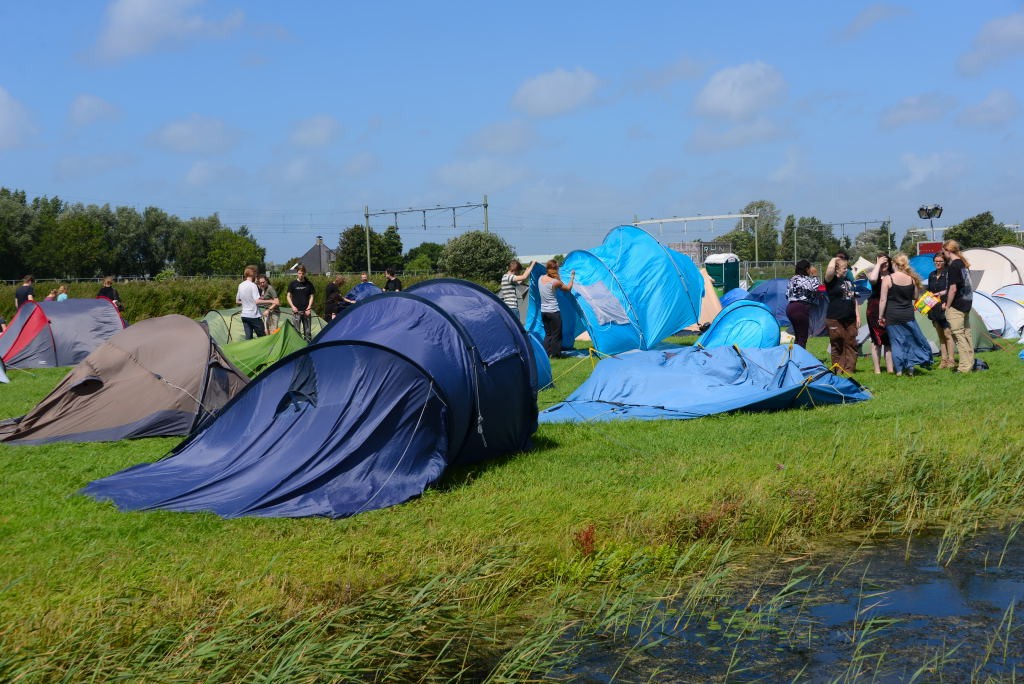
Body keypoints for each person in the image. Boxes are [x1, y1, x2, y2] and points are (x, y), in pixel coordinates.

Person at [878, 253, 933, 376]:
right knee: (909, 341)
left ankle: (898, 371)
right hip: (907, 314)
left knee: (896, 342)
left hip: (892, 315)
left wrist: (880, 316)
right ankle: (911, 369)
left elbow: (883, 300)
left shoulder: (888, 279)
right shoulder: (911, 279)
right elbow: (914, 296)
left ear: (895, 264)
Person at [823, 251, 860, 373]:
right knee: (837, 344)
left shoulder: (848, 281)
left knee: (851, 343)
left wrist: (857, 315)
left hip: (850, 318)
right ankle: (837, 370)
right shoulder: (831, 281)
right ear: (837, 269)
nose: (846, 270)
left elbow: (854, 298)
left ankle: (849, 370)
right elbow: (829, 270)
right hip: (835, 317)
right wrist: (835, 259)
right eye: (844, 268)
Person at [941, 239, 974, 373]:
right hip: (966, 303)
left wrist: (948, 306)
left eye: (943, 252)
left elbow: (953, 289)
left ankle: (964, 367)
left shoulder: (954, 266)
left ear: (948, 251)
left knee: (958, 336)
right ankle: (970, 363)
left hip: (957, 305)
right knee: (966, 334)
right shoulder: (962, 264)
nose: (943, 255)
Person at [538, 260, 575, 358]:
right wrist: (572, 277)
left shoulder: (540, 278)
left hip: (544, 312)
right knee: (556, 335)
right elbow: (568, 289)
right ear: (555, 269)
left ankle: (546, 354)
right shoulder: (555, 282)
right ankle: (556, 355)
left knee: (548, 334)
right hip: (553, 312)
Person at [865, 254, 894, 374]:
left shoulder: (892, 275)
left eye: (886, 262)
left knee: (889, 339)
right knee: (876, 339)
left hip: (890, 308)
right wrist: (878, 264)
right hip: (874, 308)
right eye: (881, 262)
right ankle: (877, 369)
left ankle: (890, 368)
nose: (884, 264)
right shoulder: (874, 274)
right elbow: (872, 280)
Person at [926, 252, 955, 369]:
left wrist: (946, 303)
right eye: (936, 261)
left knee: (948, 334)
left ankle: (951, 360)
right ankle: (943, 360)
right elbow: (929, 292)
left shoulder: (948, 274)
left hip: (945, 307)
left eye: (940, 261)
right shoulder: (931, 275)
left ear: (945, 262)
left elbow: (951, 290)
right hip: (934, 308)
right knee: (940, 335)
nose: (938, 263)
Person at [784, 259, 819, 348]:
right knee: (802, 337)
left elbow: (787, 294)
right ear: (807, 269)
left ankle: (795, 356)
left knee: (798, 336)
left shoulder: (792, 279)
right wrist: (815, 276)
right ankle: (801, 359)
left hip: (790, 307)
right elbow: (813, 288)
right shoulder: (803, 279)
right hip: (800, 308)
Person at [236, 265, 266, 340]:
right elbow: (257, 301)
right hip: (254, 316)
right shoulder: (253, 285)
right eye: (256, 274)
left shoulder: (240, 285)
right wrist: (272, 301)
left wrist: (247, 302)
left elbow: (237, 301)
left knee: (248, 338)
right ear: (253, 274)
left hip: (244, 316)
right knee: (263, 337)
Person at [287, 264, 316, 341]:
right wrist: (292, 306)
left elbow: (312, 297)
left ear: (305, 273)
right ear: (297, 273)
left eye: (302, 273)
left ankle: (308, 346)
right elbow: (288, 296)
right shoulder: (292, 284)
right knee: (296, 331)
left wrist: (309, 308)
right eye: (299, 273)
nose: (301, 275)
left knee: (308, 331)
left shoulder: (309, 284)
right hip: (296, 312)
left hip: (306, 311)